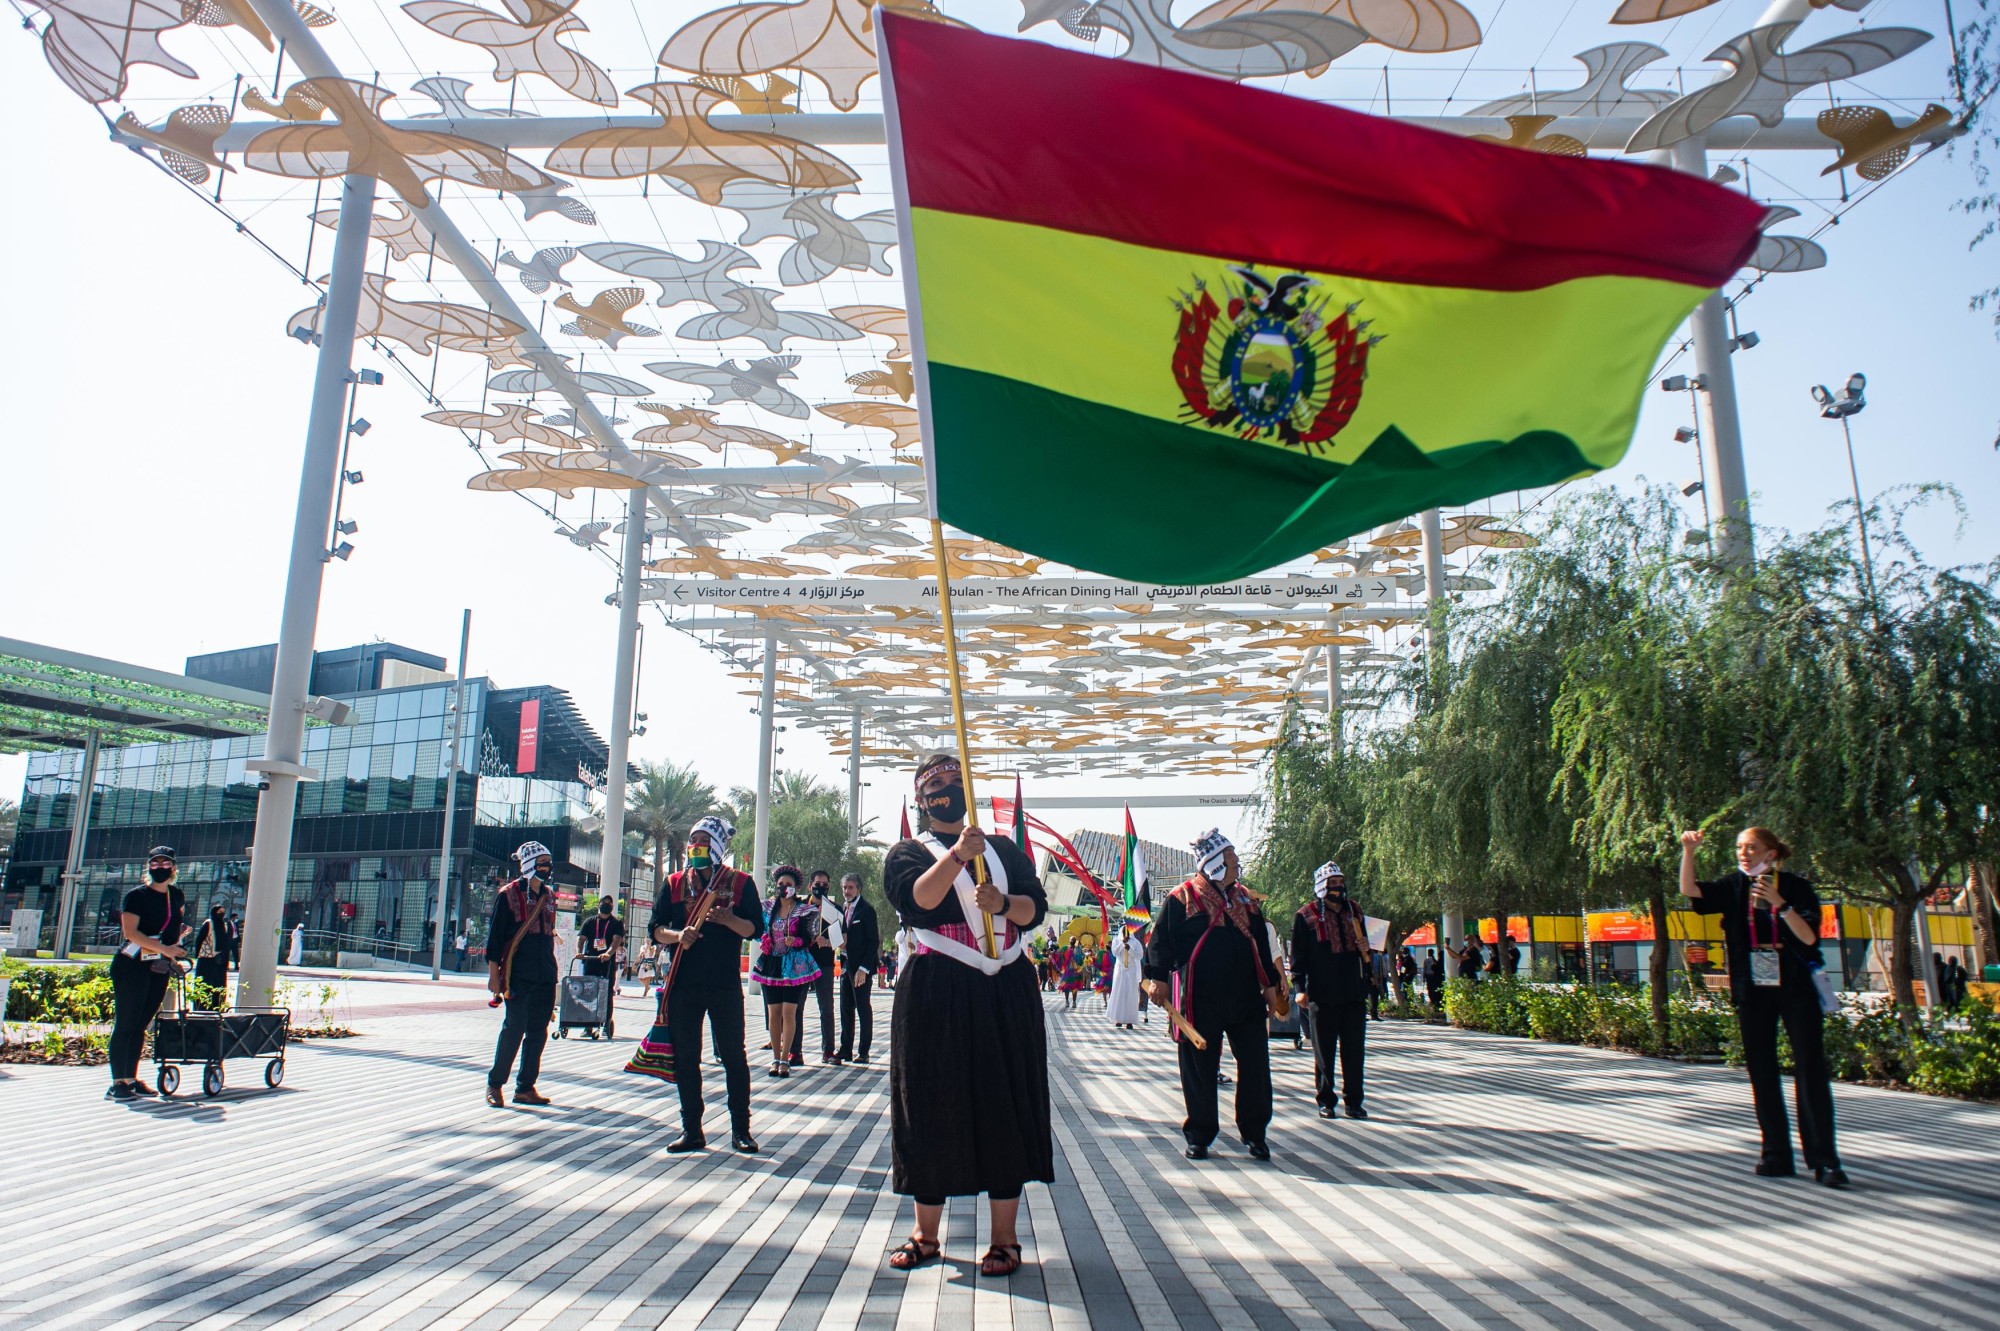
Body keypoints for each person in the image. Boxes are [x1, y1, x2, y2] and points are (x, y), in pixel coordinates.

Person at [883, 753, 1051, 1278]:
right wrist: (957, 855)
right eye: (936, 783)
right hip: (938, 988)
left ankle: (1005, 1239)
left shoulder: (1004, 850)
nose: (947, 789)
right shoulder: (908, 853)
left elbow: (1035, 909)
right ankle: (925, 1233)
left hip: (1004, 985)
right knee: (931, 1103)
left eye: (956, 781)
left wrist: (1002, 902)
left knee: (1005, 1101)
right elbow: (917, 900)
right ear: (921, 797)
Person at [1680, 827, 1846, 1188]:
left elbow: (1809, 937)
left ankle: (1825, 1160)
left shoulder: (1796, 887)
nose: (1744, 853)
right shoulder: (1733, 886)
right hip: (1752, 989)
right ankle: (1775, 1154)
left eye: (1751, 847)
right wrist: (1689, 852)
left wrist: (1779, 904)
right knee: (1762, 1071)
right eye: (1740, 847)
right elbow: (1690, 891)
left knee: (1810, 1069)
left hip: (1797, 987)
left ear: (1771, 853)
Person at [1143, 829, 1282, 1162]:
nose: (1237, 864)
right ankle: (1200, 1135)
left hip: (1246, 996)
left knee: (1255, 1065)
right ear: (1215, 862)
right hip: (1199, 997)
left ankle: (1255, 1133)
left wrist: (1272, 985)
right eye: (1231, 859)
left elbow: (1261, 944)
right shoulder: (1182, 897)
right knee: (1198, 1067)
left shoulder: (1246, 899)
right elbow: (1160, 942)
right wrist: (1156, 979)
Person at [650, 815, 761, 1153]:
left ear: (716, 846)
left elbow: (756, 928)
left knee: (733, 1056)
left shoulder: (740, 883)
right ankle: (691, 1130)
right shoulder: (673, 883)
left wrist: (730, 920)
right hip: (684, 983)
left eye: (702, 840)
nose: (695, 846)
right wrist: (676, 935)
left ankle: (741, 1130)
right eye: (692, 840)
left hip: (724, 983)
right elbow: (655, 928)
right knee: (686, 1057)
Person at [107, 846, 189, 1100]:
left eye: (165, 864)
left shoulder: (176, 895)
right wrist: (165, 948)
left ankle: (131, 1078)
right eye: (155, 864)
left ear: (173, 868)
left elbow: (174, 926)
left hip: (157, 966)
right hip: (131, 965)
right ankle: (117, 1082)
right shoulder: (136, 896)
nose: (160, 868)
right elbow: (131, 933)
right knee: (126, 1023)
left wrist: (174, 947)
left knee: (141, 1024)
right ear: (148, 867)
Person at [1290, 862, 1371, 1120]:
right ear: (1323, 886)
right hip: (1322, 994)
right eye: (1332, 883)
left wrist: (1366, 947)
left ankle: (1354, 1101)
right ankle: (1326, 1100)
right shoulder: (1306, 915)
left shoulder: (1355, 911)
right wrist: (1300, 989)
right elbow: (1298, 957)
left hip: (1353, 991)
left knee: (1354, 1049)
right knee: (1323, 1050)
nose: (1338, 888)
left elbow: (1367, 952)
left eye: (1340, 882)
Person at [485, 842, 561, 1108]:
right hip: (518, 974)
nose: (547, 869)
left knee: (538, 1031)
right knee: (514, 1028)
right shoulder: (508, 895)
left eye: (549, 863)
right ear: (529, 865)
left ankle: (526, 1088)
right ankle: (495, 1084)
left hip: (545, 974)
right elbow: (494, 940)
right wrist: (495, 977)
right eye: (542, 864)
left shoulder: (550, 896)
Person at [753, 866, 821, 1078]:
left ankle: (786, 1057)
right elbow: (757, 931)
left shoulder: (805, 910)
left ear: (796, 887)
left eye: (789, 885)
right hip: (771, 964)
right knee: (773, 1012)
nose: (784, 888)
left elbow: (810, 937)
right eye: (781, 885)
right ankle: (775, 1057)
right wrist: (765, 940)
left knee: (789, 1012)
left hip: (795, 966)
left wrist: (797, 940)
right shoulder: (767, 908)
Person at [837, 871, 880, 1064]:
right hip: (845, 966)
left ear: (859, 889)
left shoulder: (866, 910)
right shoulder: (841, 910)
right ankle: (845, 1049)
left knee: (863, 1008)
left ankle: (864, 1051)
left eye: (851, 887)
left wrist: (864, 968)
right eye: (845, 887)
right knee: (845, 1008)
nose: (847, 891)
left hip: (861, 968)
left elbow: (873, 942)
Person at [190, 903, 236, 1010]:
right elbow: (199, 939)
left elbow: (226, 942)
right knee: (204, 984)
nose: (221, 915)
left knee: (218, 985)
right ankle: (201, 1008)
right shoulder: (208, 924)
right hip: (206, 960)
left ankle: (217, 1008)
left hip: (220, 962)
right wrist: (199, 954)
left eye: (223, 913)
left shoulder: (225, 925)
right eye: (219, 912)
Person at [579, 897, 625, 985]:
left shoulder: (617, 923)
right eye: (604, 902)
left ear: (612, 906)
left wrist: (608, 953)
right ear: (599, 905)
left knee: (606, 991)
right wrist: (579, 952)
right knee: (588, 989)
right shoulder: (589, 921)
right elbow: (581, 938)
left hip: (607, 962)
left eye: (609, 903)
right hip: (590, 960)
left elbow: (617, 939)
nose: (606, 905)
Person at [1106, 926, 1144, 1029]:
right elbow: (1114, 952)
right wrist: (1122, 944)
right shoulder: (1116, 940)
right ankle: (1118, 1018)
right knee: (1119, 992)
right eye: (1124, 932)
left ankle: (1129, 1020)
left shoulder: (1135, 942)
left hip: (1131, 969)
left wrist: (1130, 949)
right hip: (1120, 969)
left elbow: (1139, 955)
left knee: (1130, 994)